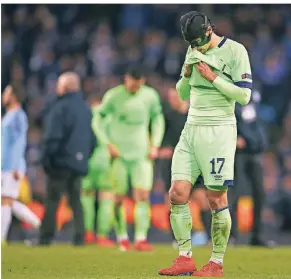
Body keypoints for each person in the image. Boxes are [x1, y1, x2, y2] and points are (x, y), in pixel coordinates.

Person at [159, 11, 252, 277]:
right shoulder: (192, 49)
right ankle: (185, 257)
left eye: (199, 42)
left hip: (219, 131)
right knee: (177, 193)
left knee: (215, 198)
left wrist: (213, 78)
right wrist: (186, 75)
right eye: (191, 43)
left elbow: (244, 95)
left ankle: (216, 263)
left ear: (210, 30)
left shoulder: (235, 51)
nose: (196, 47)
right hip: (191, 129)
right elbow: (182, 93)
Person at [98, 66, 165, 251]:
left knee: (142, 196)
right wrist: (107, 143)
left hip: (141, 154)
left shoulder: (150, 96)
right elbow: (98, 119)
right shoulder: (113, 96)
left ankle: (141, 238)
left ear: (143, 80)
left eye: (139, 83)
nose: (135, 86)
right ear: (126, 79)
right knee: (118, 198)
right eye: (132, 82)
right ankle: (122, 237)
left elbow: (158, 119)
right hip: (119, 155)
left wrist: (155, 145)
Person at [39, 72, 96, 246]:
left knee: (52, 199)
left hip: (60, 162)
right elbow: (92, 139)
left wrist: (47, 159)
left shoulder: (60, 107)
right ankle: (80, 237)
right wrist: (84, 157)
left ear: (64, 87)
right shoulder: (86, 109)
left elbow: (53, 136)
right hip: (78, 164)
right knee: (75, 200)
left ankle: (45, 237)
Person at [158, 87, 211, 246]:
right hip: (174, 165)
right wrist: (163, 149)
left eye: (175, 98)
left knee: (202, 199)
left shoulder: (195, 116)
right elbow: (163, 139)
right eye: (170, 98)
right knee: (173, 200)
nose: (172, 101)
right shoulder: (167, 117)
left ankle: (209, 237)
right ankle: (177, 239)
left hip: (195, 163)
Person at [1, 84, 41, 246]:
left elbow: (19, 142)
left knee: (5, 200)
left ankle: (1, 238)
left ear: (14, 96)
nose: (3, 95)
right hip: (4, 165)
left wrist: (17, 166)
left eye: (6, 93)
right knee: (7, 201)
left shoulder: (19, 116)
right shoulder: (8, 116)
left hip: (12, 166)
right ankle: (40, 225)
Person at [229, 92, 269, 246]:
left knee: (259, 193)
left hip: (255, 152)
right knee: (235, 193)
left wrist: (260, 143)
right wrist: (235, 136)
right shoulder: (233, 98)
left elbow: (258, 125)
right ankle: (232, 236)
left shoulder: (254, 100)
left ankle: (256, 236)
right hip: (239, 153)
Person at [81, 95, 115, 246]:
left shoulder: (85, 115)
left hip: (87, 160)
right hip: (106, 160)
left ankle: (87, 233)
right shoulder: (110, 117)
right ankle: (102, 235)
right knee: (106, 198)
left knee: (86, 197)